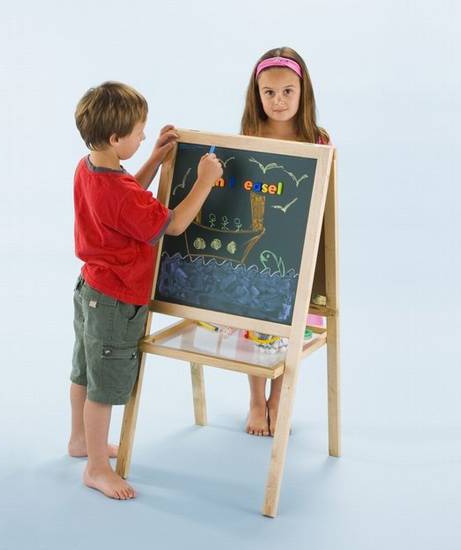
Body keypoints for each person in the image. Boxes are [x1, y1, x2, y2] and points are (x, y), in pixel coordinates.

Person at [68, 81, 223, 500]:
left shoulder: (90, 167)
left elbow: (128, 195)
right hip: (116, 300)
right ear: (115, 139)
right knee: (104, 388)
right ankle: (97, 468)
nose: (142, 137)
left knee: (84, 371)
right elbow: (173, 223)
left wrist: (154, 158)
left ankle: (80, 440)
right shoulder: (118, 192)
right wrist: (205, 181)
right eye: (139, 133)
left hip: (91, 288)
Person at [241, 47, 330, 437]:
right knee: (253, 324)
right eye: (270, 92)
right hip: (257, 244)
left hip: (297, 247)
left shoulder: (318, 138)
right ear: (257, 94)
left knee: (287, 327)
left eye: (287, 91)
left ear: (302, 91)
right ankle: (255, 399)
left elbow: (324, 195)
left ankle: (278, 399)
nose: (278, 100)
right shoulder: (251, 135)